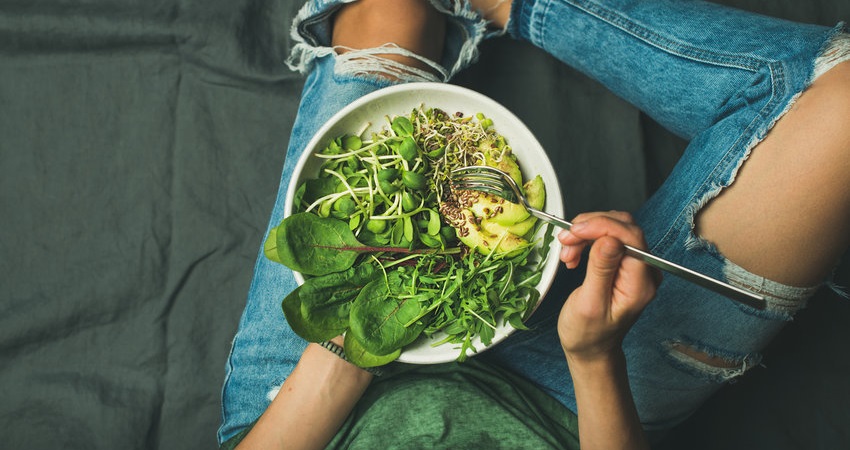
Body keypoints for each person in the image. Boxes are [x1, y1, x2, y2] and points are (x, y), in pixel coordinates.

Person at [218, 0, 850, 448]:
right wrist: (595, 355)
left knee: (390, 14)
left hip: (310, 408)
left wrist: (344, 345)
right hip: (566, 410)